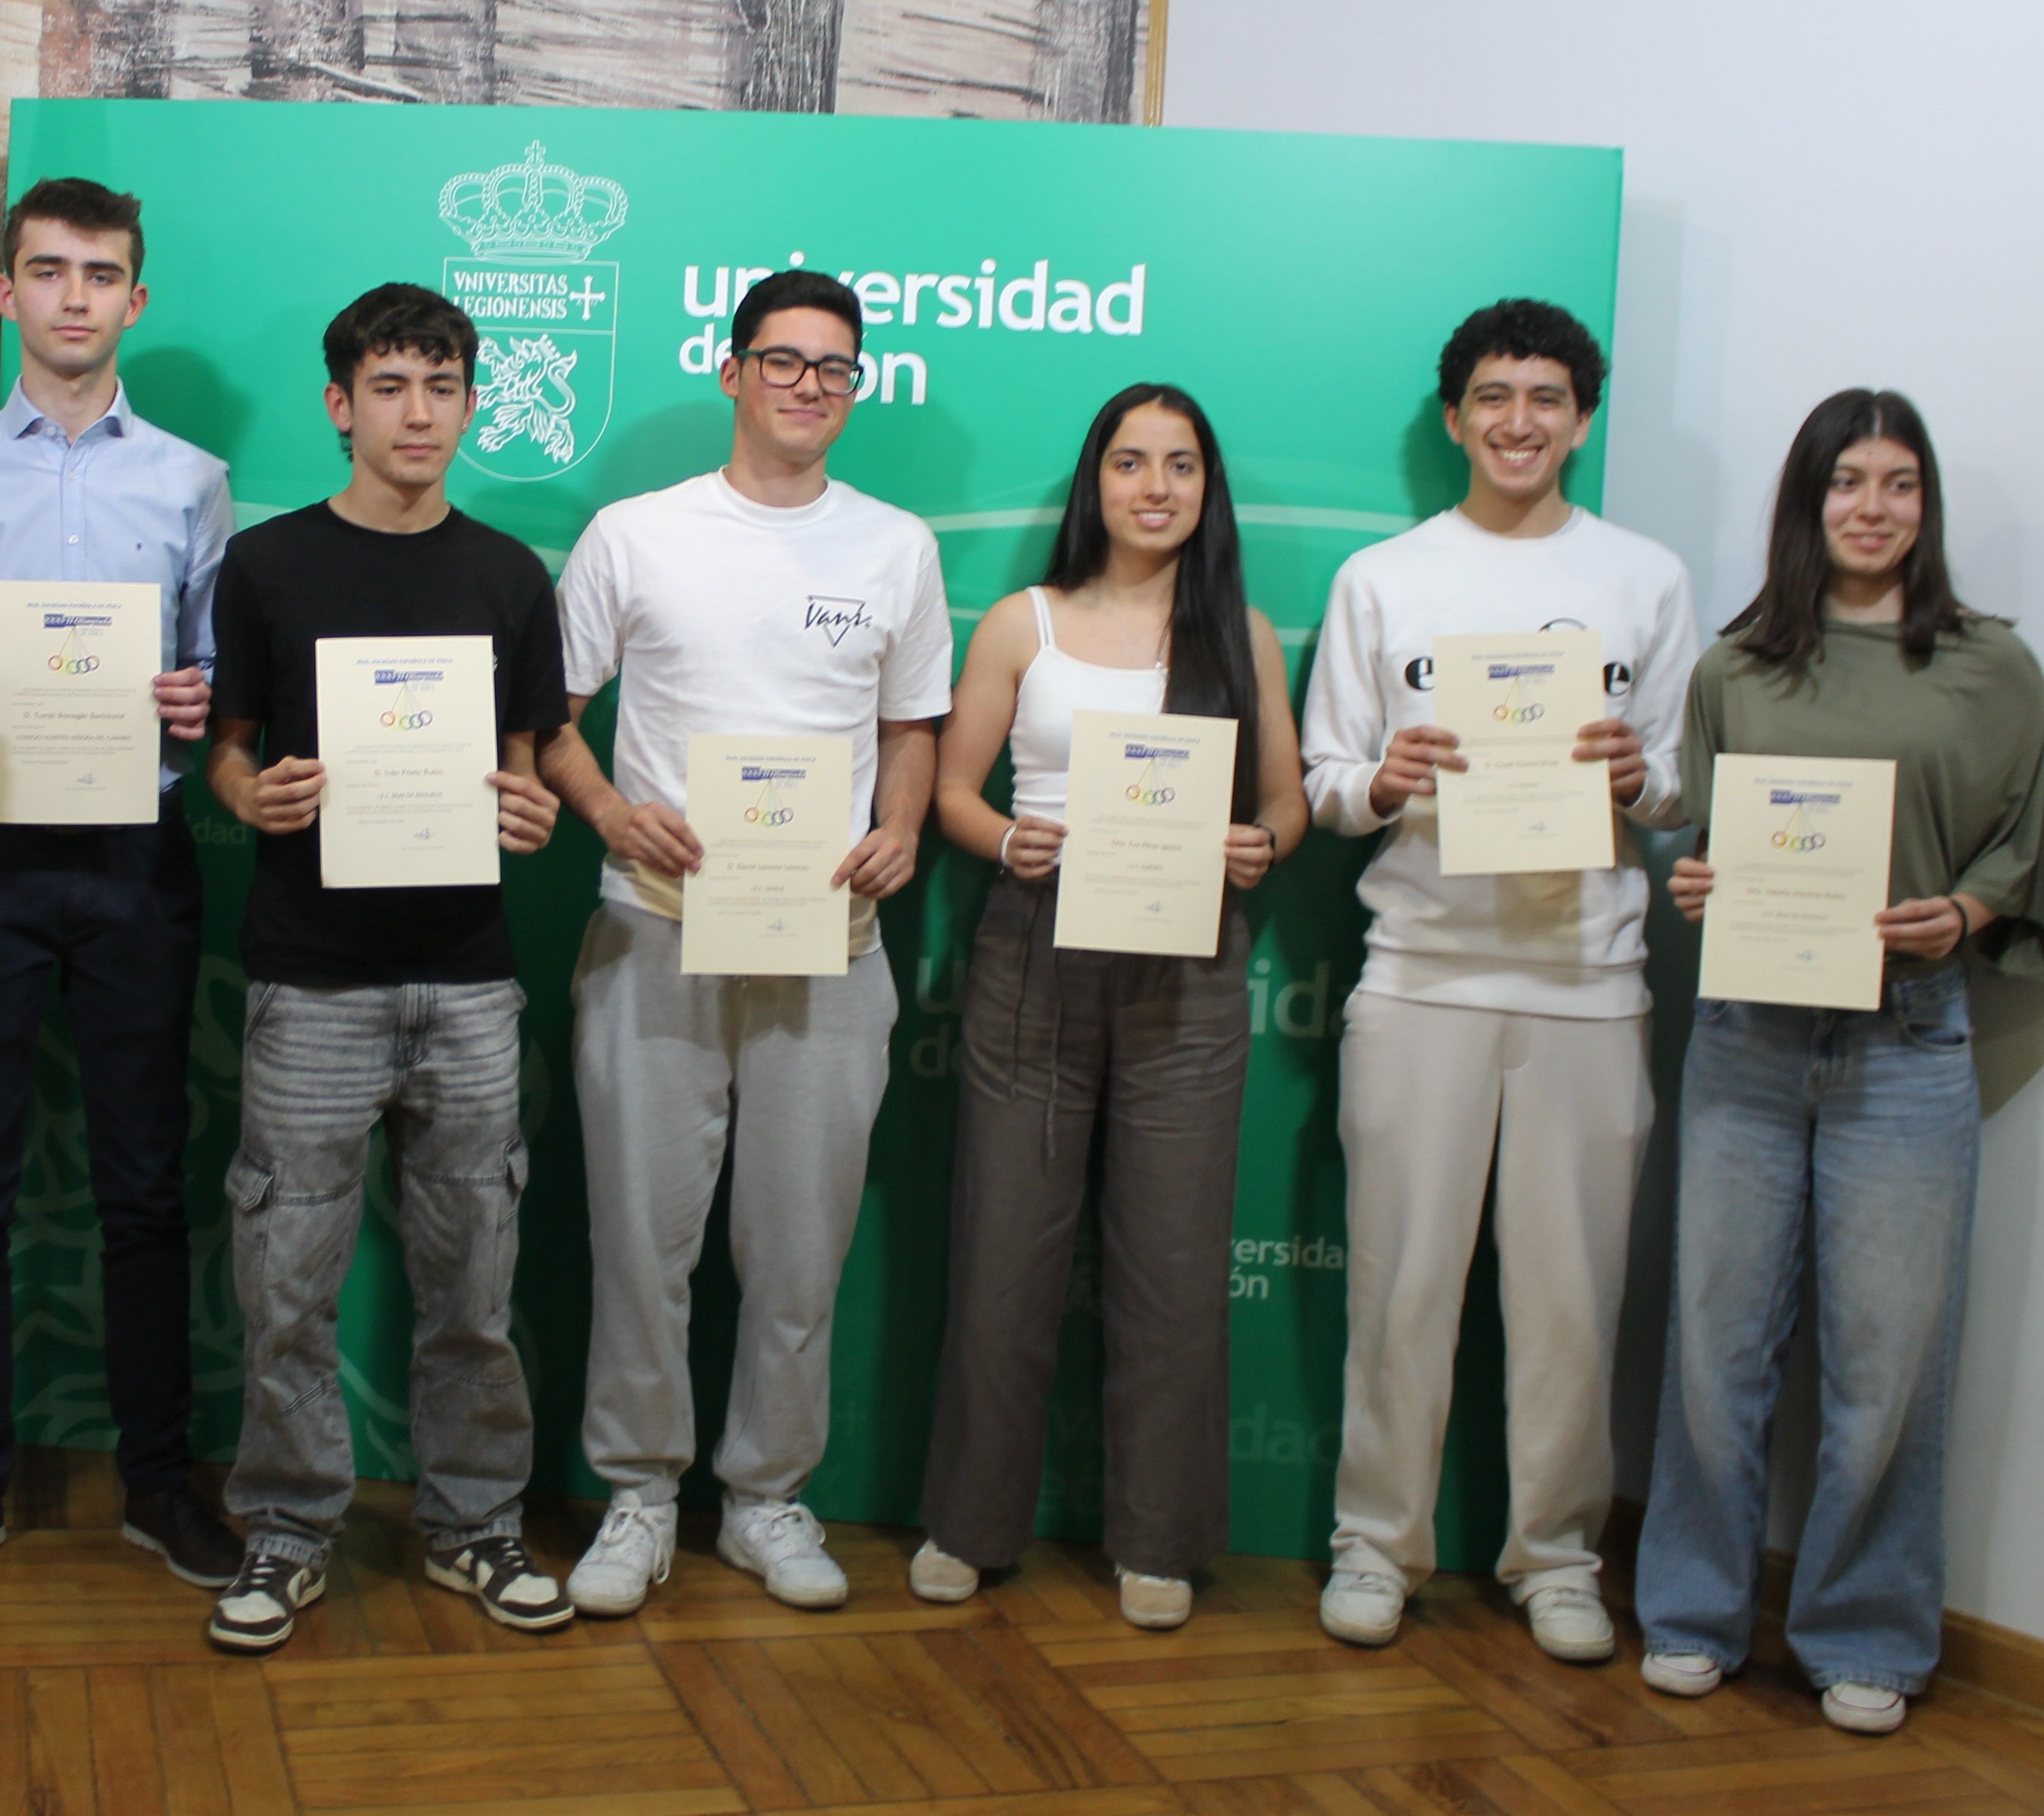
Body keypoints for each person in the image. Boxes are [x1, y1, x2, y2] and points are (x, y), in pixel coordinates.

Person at [1637, 390, 2044, 1735]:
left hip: (1907, 1043)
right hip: (1747, 1041)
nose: (1871, 508)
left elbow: (2020, 842)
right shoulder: (1734, 668)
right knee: (1714, 1349)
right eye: (1845, 483)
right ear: (1807, 501)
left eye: (1897, 484)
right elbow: (1698, 834)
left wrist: (1962, 913)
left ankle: (1865, 1634)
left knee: (1888, 1362)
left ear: (1924, 505)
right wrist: (1697, 880)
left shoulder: (1992, 667)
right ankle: (1692, 1613)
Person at [543, 269, 953, 1616]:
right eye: (782, 361)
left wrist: (899, 826)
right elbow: (548, 715)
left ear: (856, 386)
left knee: (798, 1244)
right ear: (731, 372)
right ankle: (640, 1494)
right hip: (652, 930)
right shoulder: (634, 533)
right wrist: (610, 809)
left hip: (829, 939)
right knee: (639, 1240)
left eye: (835, 367)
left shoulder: (895, 545)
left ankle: (768, 1495)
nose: (807, 386)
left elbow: (909, 727)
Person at [1300, 298, 1697, 1661]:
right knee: (1400, 1287)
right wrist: (1380, 778)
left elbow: (1684, 777)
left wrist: (1644, 776)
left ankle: (1557, 1554)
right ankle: (1375, 1543)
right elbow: (1324, 781)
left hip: (1589, 980)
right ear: (1455, 416)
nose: (1517, 420)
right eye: (1490, 395)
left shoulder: (1643, 577)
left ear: (1579, 418)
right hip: (1419, 974)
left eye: (1543, 396)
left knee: (1569, 1295)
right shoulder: (1383, 576)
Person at [0, 178, 241, 1600]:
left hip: (135, 855)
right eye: (48, 270)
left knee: (147, 1185)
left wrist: (198, 696)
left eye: (102, 274)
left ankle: (159, 1481)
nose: (75, 296)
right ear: (3, 293)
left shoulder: (192, 480)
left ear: (135, 300)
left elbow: (212, 688)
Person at [196, 283, 573, 1653]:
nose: (419, 412)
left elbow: (522, 772)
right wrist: (251, 797)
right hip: (311, 980)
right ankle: (287, 1531)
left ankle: (476, 1522)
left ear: (471, 402)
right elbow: (226, 744)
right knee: (284, 1280)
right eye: (391, 385)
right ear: (339, 402)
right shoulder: (269, 563)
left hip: (470, 979)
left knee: (473, 1281)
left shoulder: (508, 574)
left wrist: (529, 813)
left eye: (443, 385)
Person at [907, 384, 1307, 1629]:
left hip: (1188, 964)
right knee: (1003, 1257)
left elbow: (1286, 803)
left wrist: (1261, 845)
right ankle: (969, 1526)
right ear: (1094, 481)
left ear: (1205, 487)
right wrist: (1007, 841)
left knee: (1174, 1267)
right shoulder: (1022, 625)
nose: (1153, 486)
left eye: (1178, 465)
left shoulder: (1241, 636)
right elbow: (952, 794)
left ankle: (1158, 1539)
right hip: (1035, 951)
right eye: (1129, 463)